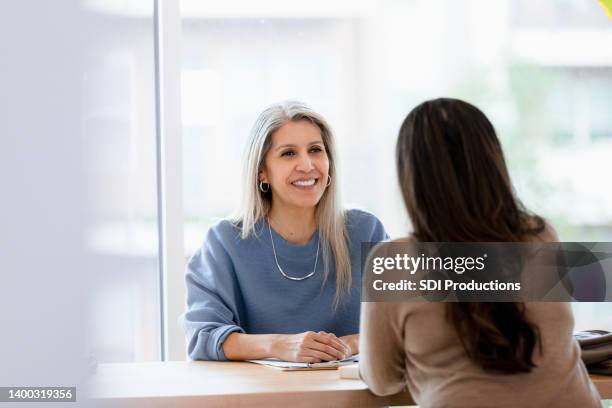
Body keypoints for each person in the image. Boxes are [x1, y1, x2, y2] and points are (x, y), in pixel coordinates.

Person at [359, 98, 601, 407]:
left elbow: (382, 380)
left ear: (412, 176)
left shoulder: (393, 262)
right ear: (492, 163)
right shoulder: (541, 236)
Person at [181, 100, 387, 362]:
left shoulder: (367, 231)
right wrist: (280, 345)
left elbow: (412, 325)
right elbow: (203, 336)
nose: (307, 165)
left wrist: (350, 344)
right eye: (288, 153)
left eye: (315, 150)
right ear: (262, 173)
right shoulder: (224, 242)